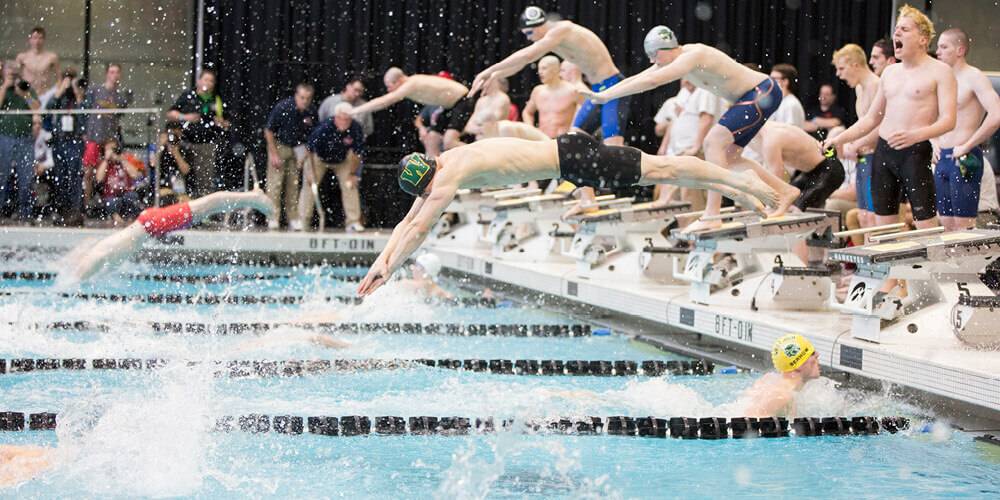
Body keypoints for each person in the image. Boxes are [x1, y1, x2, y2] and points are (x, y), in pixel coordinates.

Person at [355, 133, 778, 296]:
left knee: (664, 167)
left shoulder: (451, 175)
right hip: (568, 154)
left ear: (428, 180)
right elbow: (406, 223)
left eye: (428, 191)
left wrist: (391, 270)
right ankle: (737, 186)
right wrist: (382, 264)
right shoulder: (443, 163)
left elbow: (421, 227)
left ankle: (743, 183)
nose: (431, 196)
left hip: (573, 161)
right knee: (663, 167)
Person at [582, 25, 801, 230]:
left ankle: (712, 215)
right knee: (731, 156)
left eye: (654, 55)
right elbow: (642, 76)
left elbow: (651, 82)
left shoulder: (692, 55)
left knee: (712, 142)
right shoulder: (672, 58)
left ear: (667, 49)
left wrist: (607, 96)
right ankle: (785, 191)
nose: (652, 60)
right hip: (752, 96)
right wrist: (605, 95)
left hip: (762, 92)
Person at [824, 5, 956, 231]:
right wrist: (839, 140)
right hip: (884, 153)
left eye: (904, 29)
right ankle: (889, 267)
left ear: (923, 39)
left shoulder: (940, 72)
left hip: (914, 153)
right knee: (881, 225)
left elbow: (948, 120)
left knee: (925, 223)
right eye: (896, 29)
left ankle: (930, 267)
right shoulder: (890, 73)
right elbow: (870, 119)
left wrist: (916, 134)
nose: (897, 34)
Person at [60, 189, 274, 284]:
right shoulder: (97, 251)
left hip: (150, 225)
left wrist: (71, 285)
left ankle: (253, 198)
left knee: (207, 206)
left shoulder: (91, 261)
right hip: (148, 224)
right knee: (206, 207)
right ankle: (251, 198)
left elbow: (86, 265)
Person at [933, 28, 1000, 231]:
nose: (938, 52)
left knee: (963, 228)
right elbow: (929, 117)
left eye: (944, 47)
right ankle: (949, 264)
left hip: (964, 157)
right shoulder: (941, 80)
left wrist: (969, 144)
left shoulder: (974, 77)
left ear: (960, 49)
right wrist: (933, 141)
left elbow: (996, 114)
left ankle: (970, 264)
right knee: (945, 225)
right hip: (941, 158)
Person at [349, 68, 471, 151]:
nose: (389, 90)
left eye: (389, 86)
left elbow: (385, 101)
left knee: (450, 142)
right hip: (449, 106)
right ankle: (433, 179)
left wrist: (355, 111)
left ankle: (482, 159)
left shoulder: (411, 83)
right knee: (431, 139)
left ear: (399, 80)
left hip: (464, 101)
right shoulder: (412, 83)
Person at [832, 43, 881, 229]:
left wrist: (855, 144)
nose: (839, 74)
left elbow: (883, 126)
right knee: (863, 217)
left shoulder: (877, 85)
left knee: (873, 218)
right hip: (864, 158)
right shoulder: (859, 89)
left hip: (877, 158)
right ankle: (868, 255)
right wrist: (842, 141)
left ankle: (877, 257)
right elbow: (863, 125)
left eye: (841, 68)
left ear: (855, 64)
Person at [300, 102, 366, 232]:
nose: (344, 122)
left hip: (342, 160)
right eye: (341, 118)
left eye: (347, 119)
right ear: (336, 117)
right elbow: (309, 150)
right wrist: (310, 172)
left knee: (350, 185)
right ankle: (303, 220)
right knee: (309, 185)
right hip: (319, 158)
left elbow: (358, 154)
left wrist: (353, 174)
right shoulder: (324, 127)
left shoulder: (355, 128)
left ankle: (352, 221)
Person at [166, 68, 230, 198]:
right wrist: (185, 117)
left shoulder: (216, 100)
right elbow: (170, 114)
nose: (208, 83)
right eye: (206, 79)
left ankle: (204, 212)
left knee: (205, 181)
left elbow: (227, 123)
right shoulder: (188, 96)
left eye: (211, 81)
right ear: (199, 81)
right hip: (185, 143)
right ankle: (182, 205)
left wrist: (221, 123)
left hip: (206, 145)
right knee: (182, 178)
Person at [263, 82, 318, 230]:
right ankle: (272, 217)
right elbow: (268, 131)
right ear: (296, 95)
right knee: (275, 184)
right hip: (280, 146)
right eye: (302, 97)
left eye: (307, 98)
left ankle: (293, 218)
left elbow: (312, 135)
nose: (304, 101)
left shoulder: (311, 111)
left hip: (297, 149)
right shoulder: (283, 107)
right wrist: (274, 154)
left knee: (293, 185)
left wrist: (305, 152)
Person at [43, 68, 87, 225]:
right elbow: (47, 109)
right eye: (66, 79)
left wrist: (78, 94)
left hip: (75, 141)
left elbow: (85, 117)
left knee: (75, 177)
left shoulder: (80, 97)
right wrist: (60, 89)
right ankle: (62, 210)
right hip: (60, 141)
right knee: (61, 177)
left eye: (71, 79)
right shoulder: (58, 96)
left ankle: (75, 212)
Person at [82, 63, 130, 203]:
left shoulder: (120, 97)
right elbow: (84, 109)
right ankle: (86, 203)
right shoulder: (95, 90)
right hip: (94, 137)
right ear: (107, 74)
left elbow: (119, 116)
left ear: (119, 75)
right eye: (111, 72)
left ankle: (108, 203)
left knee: (109, 170)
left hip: (110, 139)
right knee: (88, 173)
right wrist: (84, 131)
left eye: (116, 72)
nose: (114, 75)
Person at [741, 334, 821, 417]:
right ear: (798, 365)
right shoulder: (781, 396)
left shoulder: (771, 380)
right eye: (812, 353)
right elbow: (748, 423)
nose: (817, 354)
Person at [0, 60, 41, 222]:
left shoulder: (27, 89)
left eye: (15, 72)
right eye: (10, 72)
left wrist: (25, 94)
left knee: (26, 176)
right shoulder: (2, 88)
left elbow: (37, 107)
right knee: (2, 175)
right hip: (5, 137)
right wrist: (5, 86)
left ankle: (26, 213)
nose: (13, 75)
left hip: (25, 138)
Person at [522, 55, 579, 138]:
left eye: (544, 68)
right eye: (539, 68)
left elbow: (584, 114)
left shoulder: (572, 90)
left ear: (555, 69)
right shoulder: (538, 91)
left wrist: (573, 131)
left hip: (565, 140)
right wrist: (531, 129)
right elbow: (527, 112)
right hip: (543, 139)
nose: (540, 72)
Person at [94, 137, 144, 225]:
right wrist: (106, 160)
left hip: (125, 193)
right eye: (109, 149)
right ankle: (117, 219)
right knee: (111, 203)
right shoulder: (103, 163)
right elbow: (99, 178)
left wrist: (122, 160)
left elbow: (135, 175)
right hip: (110, 195)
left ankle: (131, 220)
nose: (112, 152)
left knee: (132, 197)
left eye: (114, 149)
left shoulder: (124, 160)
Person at [15, 27, 60, 106]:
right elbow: (15, 77)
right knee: (30, 115)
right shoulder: (22, 57)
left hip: (45, 95)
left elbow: (59, 79)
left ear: (44, 40)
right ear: (30, 40)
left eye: (40, 38)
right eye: (35, 38)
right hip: (28, 95)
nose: (37, 41)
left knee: (44, 117)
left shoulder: (51, 57)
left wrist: (55, 93)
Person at [150, 120, 192, 204]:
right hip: (163, 187)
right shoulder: (160, 149)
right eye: (171, 135)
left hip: (181, 189)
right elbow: (153, 164)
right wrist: (161, 145)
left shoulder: (185, 149)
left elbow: (186, 170)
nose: (172, 138)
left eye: (175, 135)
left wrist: (176, 152)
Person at [769, 63, 807, 128]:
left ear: (785, 81)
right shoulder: (779, 101)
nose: (770, 82)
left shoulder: (791, 104)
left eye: (774, 78)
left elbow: (789, 132)